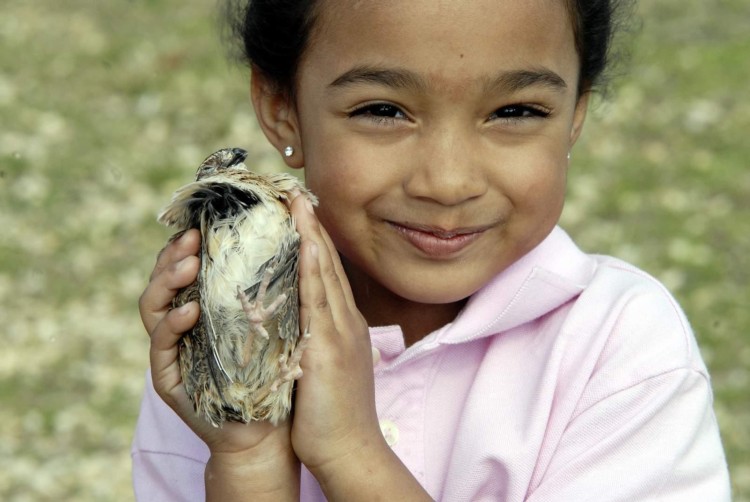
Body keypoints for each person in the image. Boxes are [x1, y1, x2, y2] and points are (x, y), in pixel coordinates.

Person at [132, 0, 731, 500]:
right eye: (383, 111)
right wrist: (250, 453)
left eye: (515, 111)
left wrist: (351, 452)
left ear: (576, 114)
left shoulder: (621, 350)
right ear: (281, 108)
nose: (447, 182)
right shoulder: (229, 335)